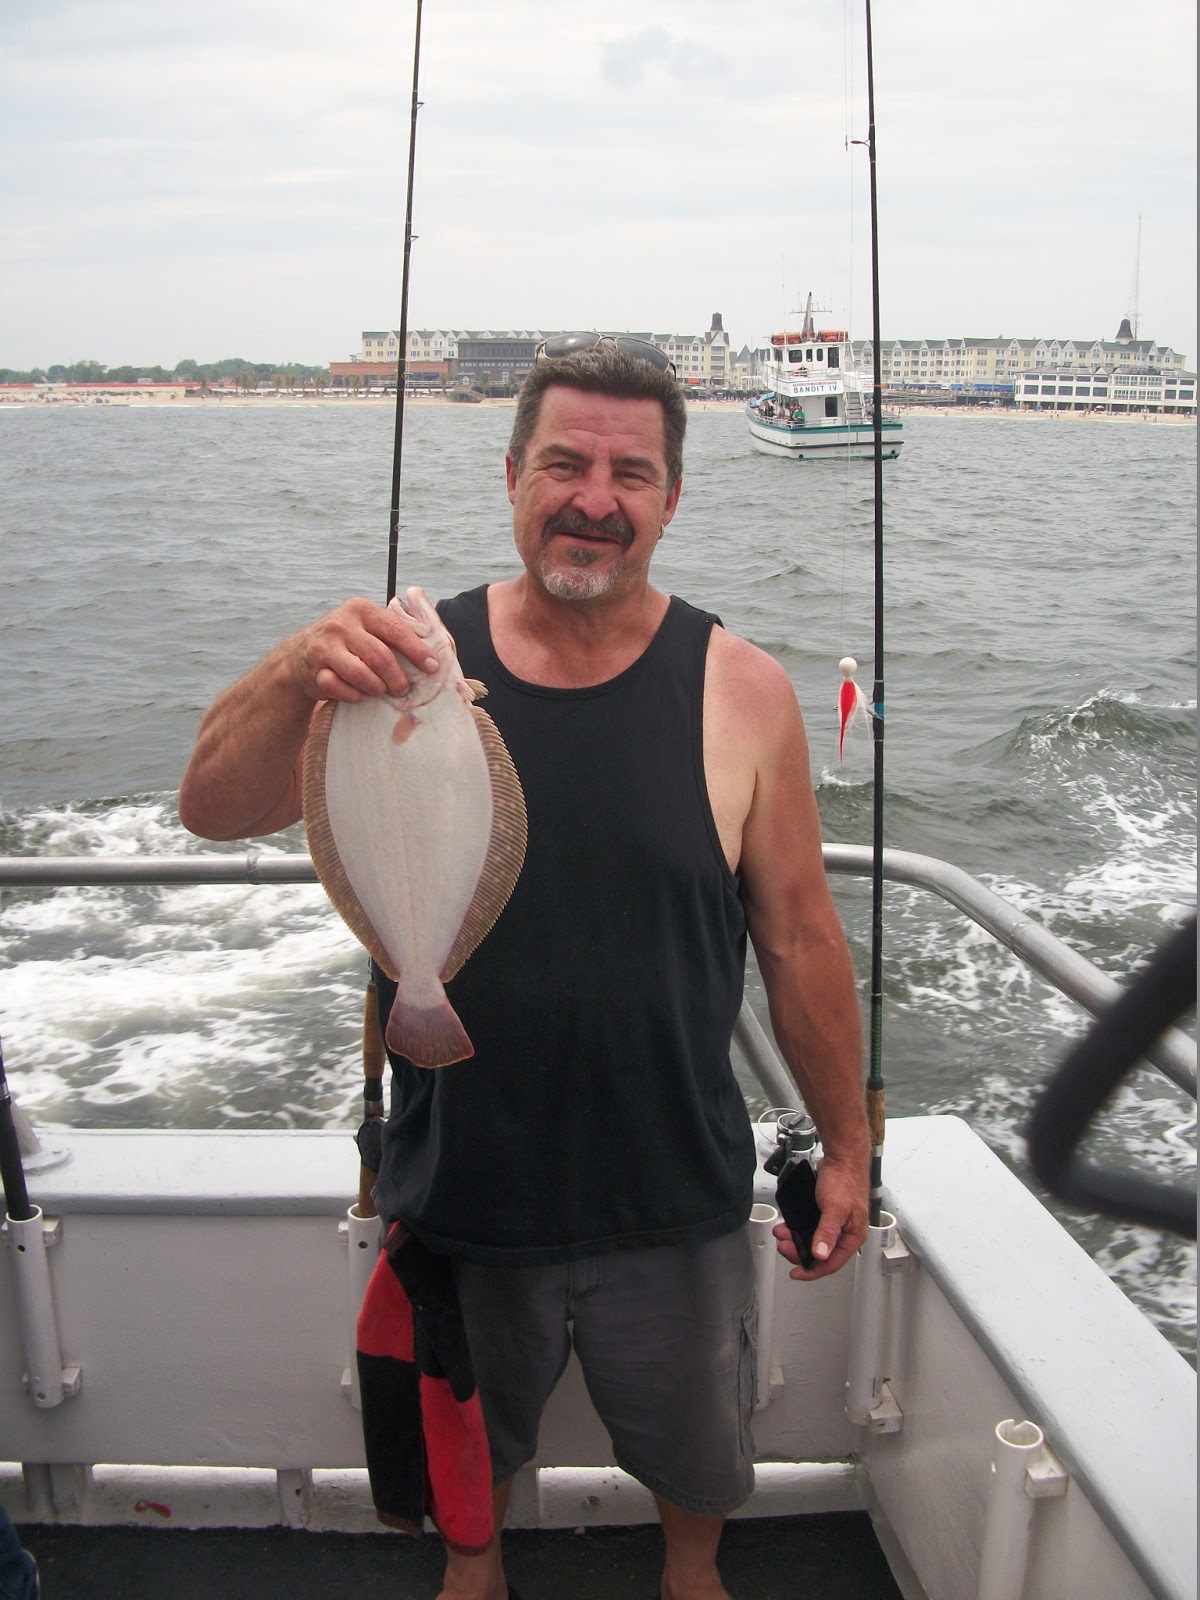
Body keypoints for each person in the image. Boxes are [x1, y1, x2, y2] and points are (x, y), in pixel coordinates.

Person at [179, 336, 869, 1600]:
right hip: (460, 1180)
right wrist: (297, 669)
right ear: (510, 477)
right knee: (465, 1449)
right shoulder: (401, 665)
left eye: (630, 471)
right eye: (563, 462)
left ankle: (690, 1573)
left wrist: (851, 1148)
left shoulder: (745, 689)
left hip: (677, 1182)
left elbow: (801, 938)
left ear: (671, 498)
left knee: (699, 1451)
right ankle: (474, 1571)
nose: (594, 497)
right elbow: (210, 808)